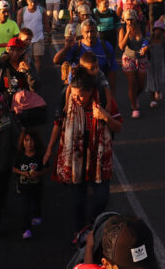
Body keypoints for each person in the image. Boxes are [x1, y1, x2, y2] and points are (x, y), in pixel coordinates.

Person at [50, 68, 123, 233]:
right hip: (76, 161)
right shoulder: (69, 100)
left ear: (91, 91)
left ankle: (92, 222)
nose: (77, 99)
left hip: (99, 161)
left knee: (102, 199)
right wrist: (49, 150)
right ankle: (80, 233)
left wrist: (105, 116)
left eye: (81, 95)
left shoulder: (104, 100)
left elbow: (118, 127)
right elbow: (58, 124)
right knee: (78, 202)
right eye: (74, 95)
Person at [55, 19, 120, 94]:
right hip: (79, 90)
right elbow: (56, 60)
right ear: (82, 32)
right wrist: (66, 47)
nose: (90, 35)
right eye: (87, 32)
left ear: (96, 31)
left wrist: (112, 99)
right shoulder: (76, 47)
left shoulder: (106, 47)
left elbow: (112, 74)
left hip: (99, 89)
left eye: (92, 31)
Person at [12, 129, 48, 240]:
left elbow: (47, 168)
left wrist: (38, 173)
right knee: (25, 207)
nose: (29, 143)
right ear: (22, 142)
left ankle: (36, 215)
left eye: (32, 140)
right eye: (26, 140)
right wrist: (23, 173)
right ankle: (26, 229)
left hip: (37, 186)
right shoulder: (19, 155)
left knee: (36, 202)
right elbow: (13, 168)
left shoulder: (40, 155)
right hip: (23, 187)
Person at [119, 9, 149, 118]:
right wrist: (127, 32)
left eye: (131, 19)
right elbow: (121, 46)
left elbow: (148, 39)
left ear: (136, 19)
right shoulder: (122, 29)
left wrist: (146, 47)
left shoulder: (142, 27)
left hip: (141, 57)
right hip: (129, 57)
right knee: (132, 83)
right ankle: (134, 108)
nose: (130, 22)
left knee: (141, 84)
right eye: (127, 20)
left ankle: (134, 97)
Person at [16, 0, 48, 76]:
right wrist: (19, 38)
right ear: (27, 1)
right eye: (31, 2)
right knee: (26, 60)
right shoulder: (22, 11)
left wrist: (49, 35)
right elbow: (18, 25)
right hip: (26, 40)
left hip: (38, 38)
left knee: (37, 59)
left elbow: (46, 23)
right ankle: (28, 76)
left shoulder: (41, 10)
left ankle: (36, 77)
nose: (33, 3)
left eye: (34, 1)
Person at [146, 21, 165, 109]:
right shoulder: (149, 39)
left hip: (160, 62)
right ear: (154, 30)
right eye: (157, 30)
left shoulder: (163, 40)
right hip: (151, 62)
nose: (158, 32)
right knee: (151, 79)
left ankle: (158, 91)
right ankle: (153, 100)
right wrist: (149, 46)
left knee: (160, 78)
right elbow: (144, 49)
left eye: (161, 30)